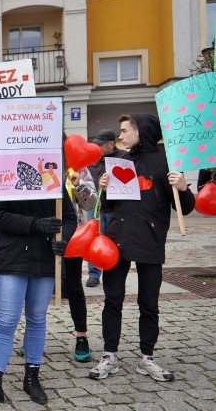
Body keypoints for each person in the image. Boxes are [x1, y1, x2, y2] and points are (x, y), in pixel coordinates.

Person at [90, 114, 195, 382]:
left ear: (142, 131)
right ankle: (109, 356)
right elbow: (110, 207)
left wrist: (183, 188)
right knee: (112, 299)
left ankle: (147, 357)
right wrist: (104, 188)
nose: (120, 137)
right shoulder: (120, 162)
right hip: (118, 240)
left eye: (125, 131)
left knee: (149, 302)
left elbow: (184, 208)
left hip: (150, 241)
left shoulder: (164, 163)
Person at [0, 192, 76, 411]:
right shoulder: (4, 170)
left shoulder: (52, 173)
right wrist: (36, 225)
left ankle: (32, 377)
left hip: (45, 258)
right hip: (12, 256)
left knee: (37, 318)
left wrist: (63, 239)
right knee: (6, 321)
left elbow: (69, 217)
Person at [62, 160, 97, 363]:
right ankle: (32, 335)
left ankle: (81, 336)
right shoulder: (35, 160)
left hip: (72, 235)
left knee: (73, 286)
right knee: (37, 287)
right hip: (41, 233)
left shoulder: (79, 168)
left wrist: (77, 184)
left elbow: (90, 203)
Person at [85, 129, 125, 287]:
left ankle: (113, 271)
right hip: (95, 208)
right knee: (93, 241)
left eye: (101, 145)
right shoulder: (92, 158)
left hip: (116, 208)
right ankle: (93, 274)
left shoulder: (122, 157)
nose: (98, 147)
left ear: (111, 144)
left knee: (114, 242)